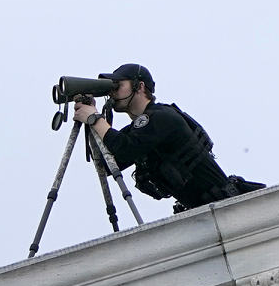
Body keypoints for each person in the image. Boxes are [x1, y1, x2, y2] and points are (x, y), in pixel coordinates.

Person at [71, 63, 262, 212]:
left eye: (118, 86)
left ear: (139, 86)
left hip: (229, 208)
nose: (112, 93)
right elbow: (107, 165)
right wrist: (92, 118)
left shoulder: (161, 117)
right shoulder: (140, 129)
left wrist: (95, 119)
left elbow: (125, 148)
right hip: (205, 211)